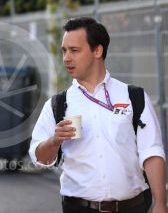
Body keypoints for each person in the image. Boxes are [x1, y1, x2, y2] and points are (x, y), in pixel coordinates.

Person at [29, 17, 167, 213]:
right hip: (78, 208)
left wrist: (161, 203)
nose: (66, 58)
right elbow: (39, 158)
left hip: (133, 206)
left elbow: (151, 152)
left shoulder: (133, 96)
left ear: (97, 51)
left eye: (74, 50)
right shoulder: (57, 104)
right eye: (64, 51)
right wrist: (53, 141)